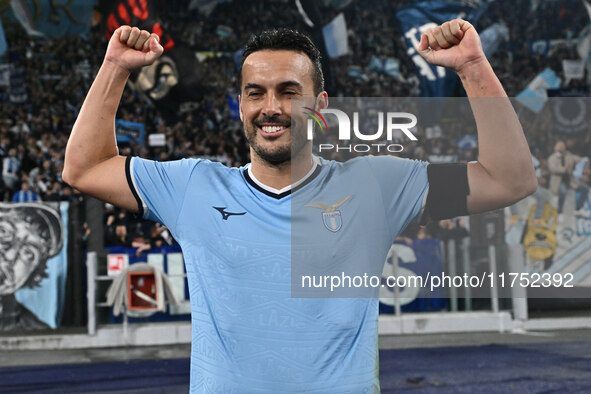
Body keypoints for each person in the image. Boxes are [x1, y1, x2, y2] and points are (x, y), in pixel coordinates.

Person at [64, 21, 537, 392]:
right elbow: (84, 167)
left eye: (290, 92)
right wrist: (115, 67)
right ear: (242, 103)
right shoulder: (192, 185)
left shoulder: (374, 185)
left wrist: (472, 65)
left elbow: (510, 178)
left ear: (320, 106)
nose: (272, 106)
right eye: (256, 93)